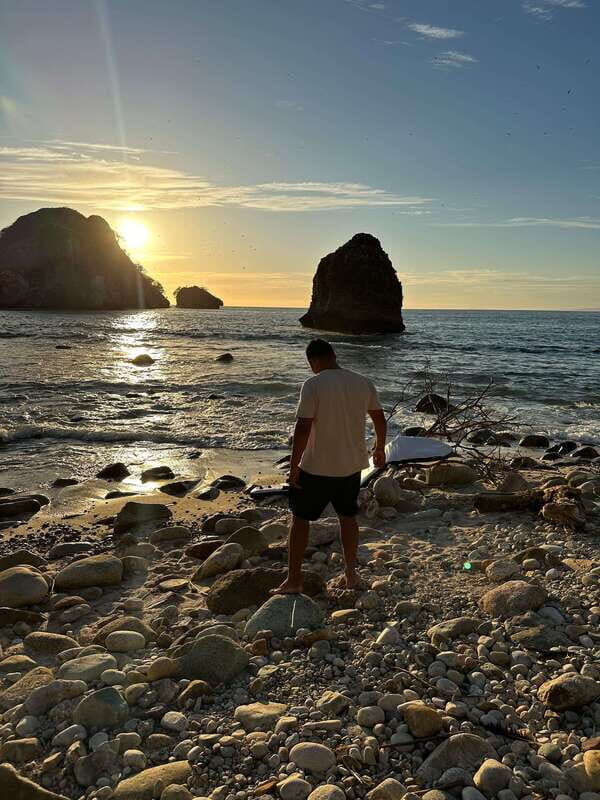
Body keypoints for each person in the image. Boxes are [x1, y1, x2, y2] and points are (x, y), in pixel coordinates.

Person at [272, 338, 386, 595]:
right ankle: (351, 575)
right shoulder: (361, 382)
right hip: (350, 467)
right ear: (334, 355)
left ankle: (294, 580)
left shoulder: (313, 384)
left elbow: (302, 427)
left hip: (316, 466)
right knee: (348, 519)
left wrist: (294, 466)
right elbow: (379, 417)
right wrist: (379, 447)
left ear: (313, 361)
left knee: (301, 520)